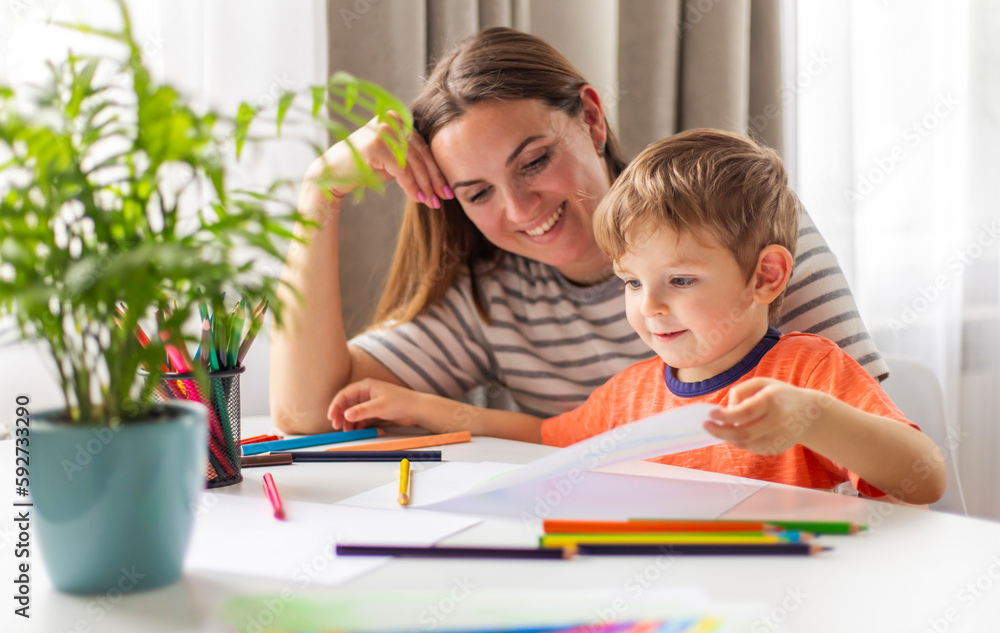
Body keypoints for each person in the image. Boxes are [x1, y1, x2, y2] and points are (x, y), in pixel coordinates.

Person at [271, 26, 888, 438]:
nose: (518, 210)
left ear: (591, 118)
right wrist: (315, 197)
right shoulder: (492, 293)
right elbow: (305, 415)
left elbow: (871, 432)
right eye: (478, 193)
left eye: (534, 161)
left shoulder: (736, 222)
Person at [327, 128, 945, 504]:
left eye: (679, 281)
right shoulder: (631, 392)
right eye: (630, 282)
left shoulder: (810, 370)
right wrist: (433, 412)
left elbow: (923, 480)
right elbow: (546, 439)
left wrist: (813, 417)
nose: (648, 307)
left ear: (766, 276)